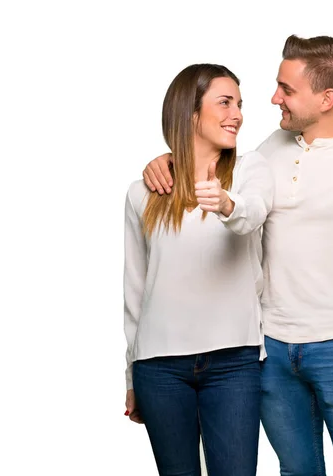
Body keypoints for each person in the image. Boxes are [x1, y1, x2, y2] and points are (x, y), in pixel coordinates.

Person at [143, 35, 333, 476]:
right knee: (296, 471)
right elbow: (221, 167)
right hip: (274, 350)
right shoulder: (271, 149)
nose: (274, 98)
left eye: (286, 89)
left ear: (327, 98)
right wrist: (166, 160)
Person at [123, 63, 274, 476]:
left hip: (234, 361)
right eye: (224, 102)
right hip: (159, 367)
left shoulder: (250, 170)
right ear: (190, 113)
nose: (237, 114)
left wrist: (226, 203)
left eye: (239, 104)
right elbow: (135, 291)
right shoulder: (143, 192)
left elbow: (254, 214)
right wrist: (131, 374)